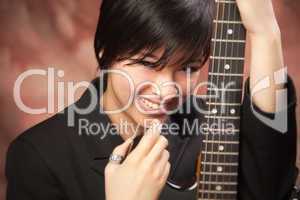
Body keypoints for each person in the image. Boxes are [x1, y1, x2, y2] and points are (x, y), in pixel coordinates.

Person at [5, 0, 297, 200]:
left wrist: (266, 34)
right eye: (147, 63)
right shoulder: (39, 157)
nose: (166, 90)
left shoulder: (215, 121)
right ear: (106, 50)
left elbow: (271, 185)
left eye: (189, 68)